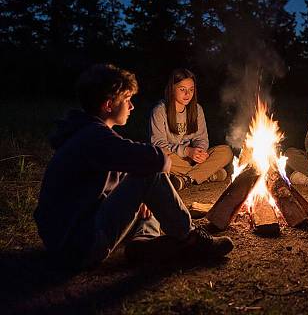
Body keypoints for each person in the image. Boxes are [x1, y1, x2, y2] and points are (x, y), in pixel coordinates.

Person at [34, 64, 233, 270]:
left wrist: (138, 197)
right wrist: (145, 182)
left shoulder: (87, 132)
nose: (131, 107)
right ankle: (190, 237)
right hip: (78, 246)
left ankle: (142, 244)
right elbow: (157, 159)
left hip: (72, 236)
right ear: (108, 105)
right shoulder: (94, 137)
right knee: (151, 175)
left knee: (147, 191)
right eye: (127, 100)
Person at [150, 68, 233, 190]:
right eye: (182, 89)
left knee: (226, 151)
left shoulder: (197, 109)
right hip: (173, 158)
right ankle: (208, 174)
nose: (187, 94)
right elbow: (158, 144)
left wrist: (199, 151)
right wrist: (186, 151)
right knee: (158, 157)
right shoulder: (160, 111)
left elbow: (201, 138)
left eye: (191, 90)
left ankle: (185, 179)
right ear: (172, 89)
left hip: (193, 159)